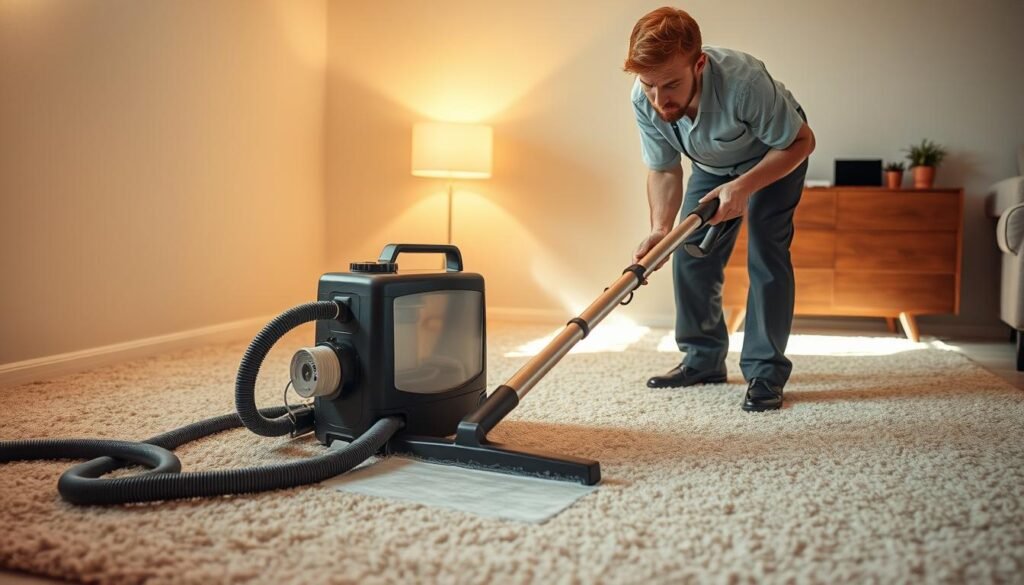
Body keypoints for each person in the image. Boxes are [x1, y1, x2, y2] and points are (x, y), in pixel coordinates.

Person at [625, 7, 815, 411]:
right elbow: (663, 169)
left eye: (672, 84)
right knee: (687, 252)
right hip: (712, 168)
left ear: (699, 64)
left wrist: (745, 187)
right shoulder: (645, 98)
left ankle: (765, 371)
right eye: (649, 85)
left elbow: (801, 142)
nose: (660, 99)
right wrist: (661, 228)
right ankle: (703, 359)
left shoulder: (744, 83)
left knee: (767, 252)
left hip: (774, 157)